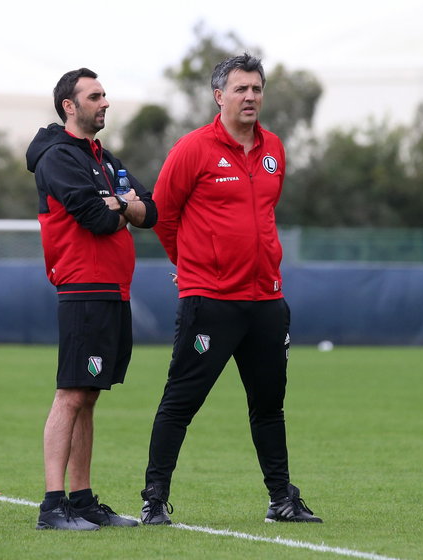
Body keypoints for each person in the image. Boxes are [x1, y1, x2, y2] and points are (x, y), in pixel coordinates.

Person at [139, 53, 322, 525]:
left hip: (266, 301)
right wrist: (187, 263)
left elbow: (262, 216)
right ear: (219, 96)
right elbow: (163, 214)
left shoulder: (274, 148)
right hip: (211, 301)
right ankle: (154, 500)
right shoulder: (193, 149)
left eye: (257, 89)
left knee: (269, 406)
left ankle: (281, 499)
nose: (250, 97)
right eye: (241, 89)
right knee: (181, 402)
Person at [25, 68, 157, 530]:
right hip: (83, 288)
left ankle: (81, 500)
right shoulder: (58, 158)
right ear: (69, 106)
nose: (105, 103)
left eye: (105, 95)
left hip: (113, 289)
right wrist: (123, 207)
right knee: (71, 394)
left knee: (89, 396)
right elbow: (96, 221)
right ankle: (52, 505)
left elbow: (151, 207)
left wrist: (120, 204)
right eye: (95, 96)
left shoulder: (103, 157)